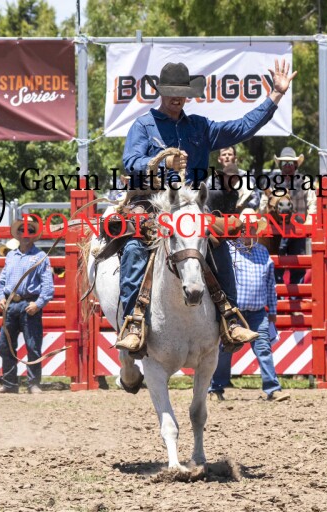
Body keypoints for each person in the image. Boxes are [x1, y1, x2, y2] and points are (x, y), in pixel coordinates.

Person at [117, 59, 297, 355]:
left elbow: (242, 127)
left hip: (190, 205)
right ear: (161, 92)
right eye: (172, 92)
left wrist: (275, 94)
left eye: (182, 92)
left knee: (216, 243)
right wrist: (162, 162)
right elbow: (131, 162)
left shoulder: (200, 127)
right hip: (153, 203)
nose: (177, 98)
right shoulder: (144, 125)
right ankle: (134, 322)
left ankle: (230, 316)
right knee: (136, 247)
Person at [208, 209, 290, 402]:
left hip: (257, 312)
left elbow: (270, 284)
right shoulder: (228, 249)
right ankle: (215, 388)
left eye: (252, 228)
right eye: (245, 228)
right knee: (225, 350)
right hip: (233, 312)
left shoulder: (262, 252)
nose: (249, 231)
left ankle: (273, 389)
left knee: (263, 348)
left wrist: (273, 312)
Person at [0, 216, 54, 394]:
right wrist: (1, 297)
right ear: (18, 234)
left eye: (30, 231)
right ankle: (9, 384)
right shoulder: (11, 256)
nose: (26, 234)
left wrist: (38, 304)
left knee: (33, 346)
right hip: (11, 305)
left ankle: (33, 384)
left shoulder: (41, 257)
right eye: (22, 230)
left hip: (29, 305)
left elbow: (48, 286)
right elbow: (2, 281)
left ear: (34, 235)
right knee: (5, 345)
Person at [264, 147, 316, 284]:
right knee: (276, 265)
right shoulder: (272, 182)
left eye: (290, 163)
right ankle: (277, 294)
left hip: (298, 229)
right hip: (278, 230)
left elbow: (312, 203)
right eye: (284, 163)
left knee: (298, 266)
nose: (287, 166)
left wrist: (308, 222)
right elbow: (264, 202)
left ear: (295, 165)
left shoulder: (305, 181)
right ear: (280, 165)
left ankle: (295, 294)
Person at [208, 146, 260, 210]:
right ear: (219, 159)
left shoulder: (247, 177)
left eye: (230, 154)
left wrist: (245, 207)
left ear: (235, 158)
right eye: (224, 154)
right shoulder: (212, 180)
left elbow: (256, 199)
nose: (227, 156)